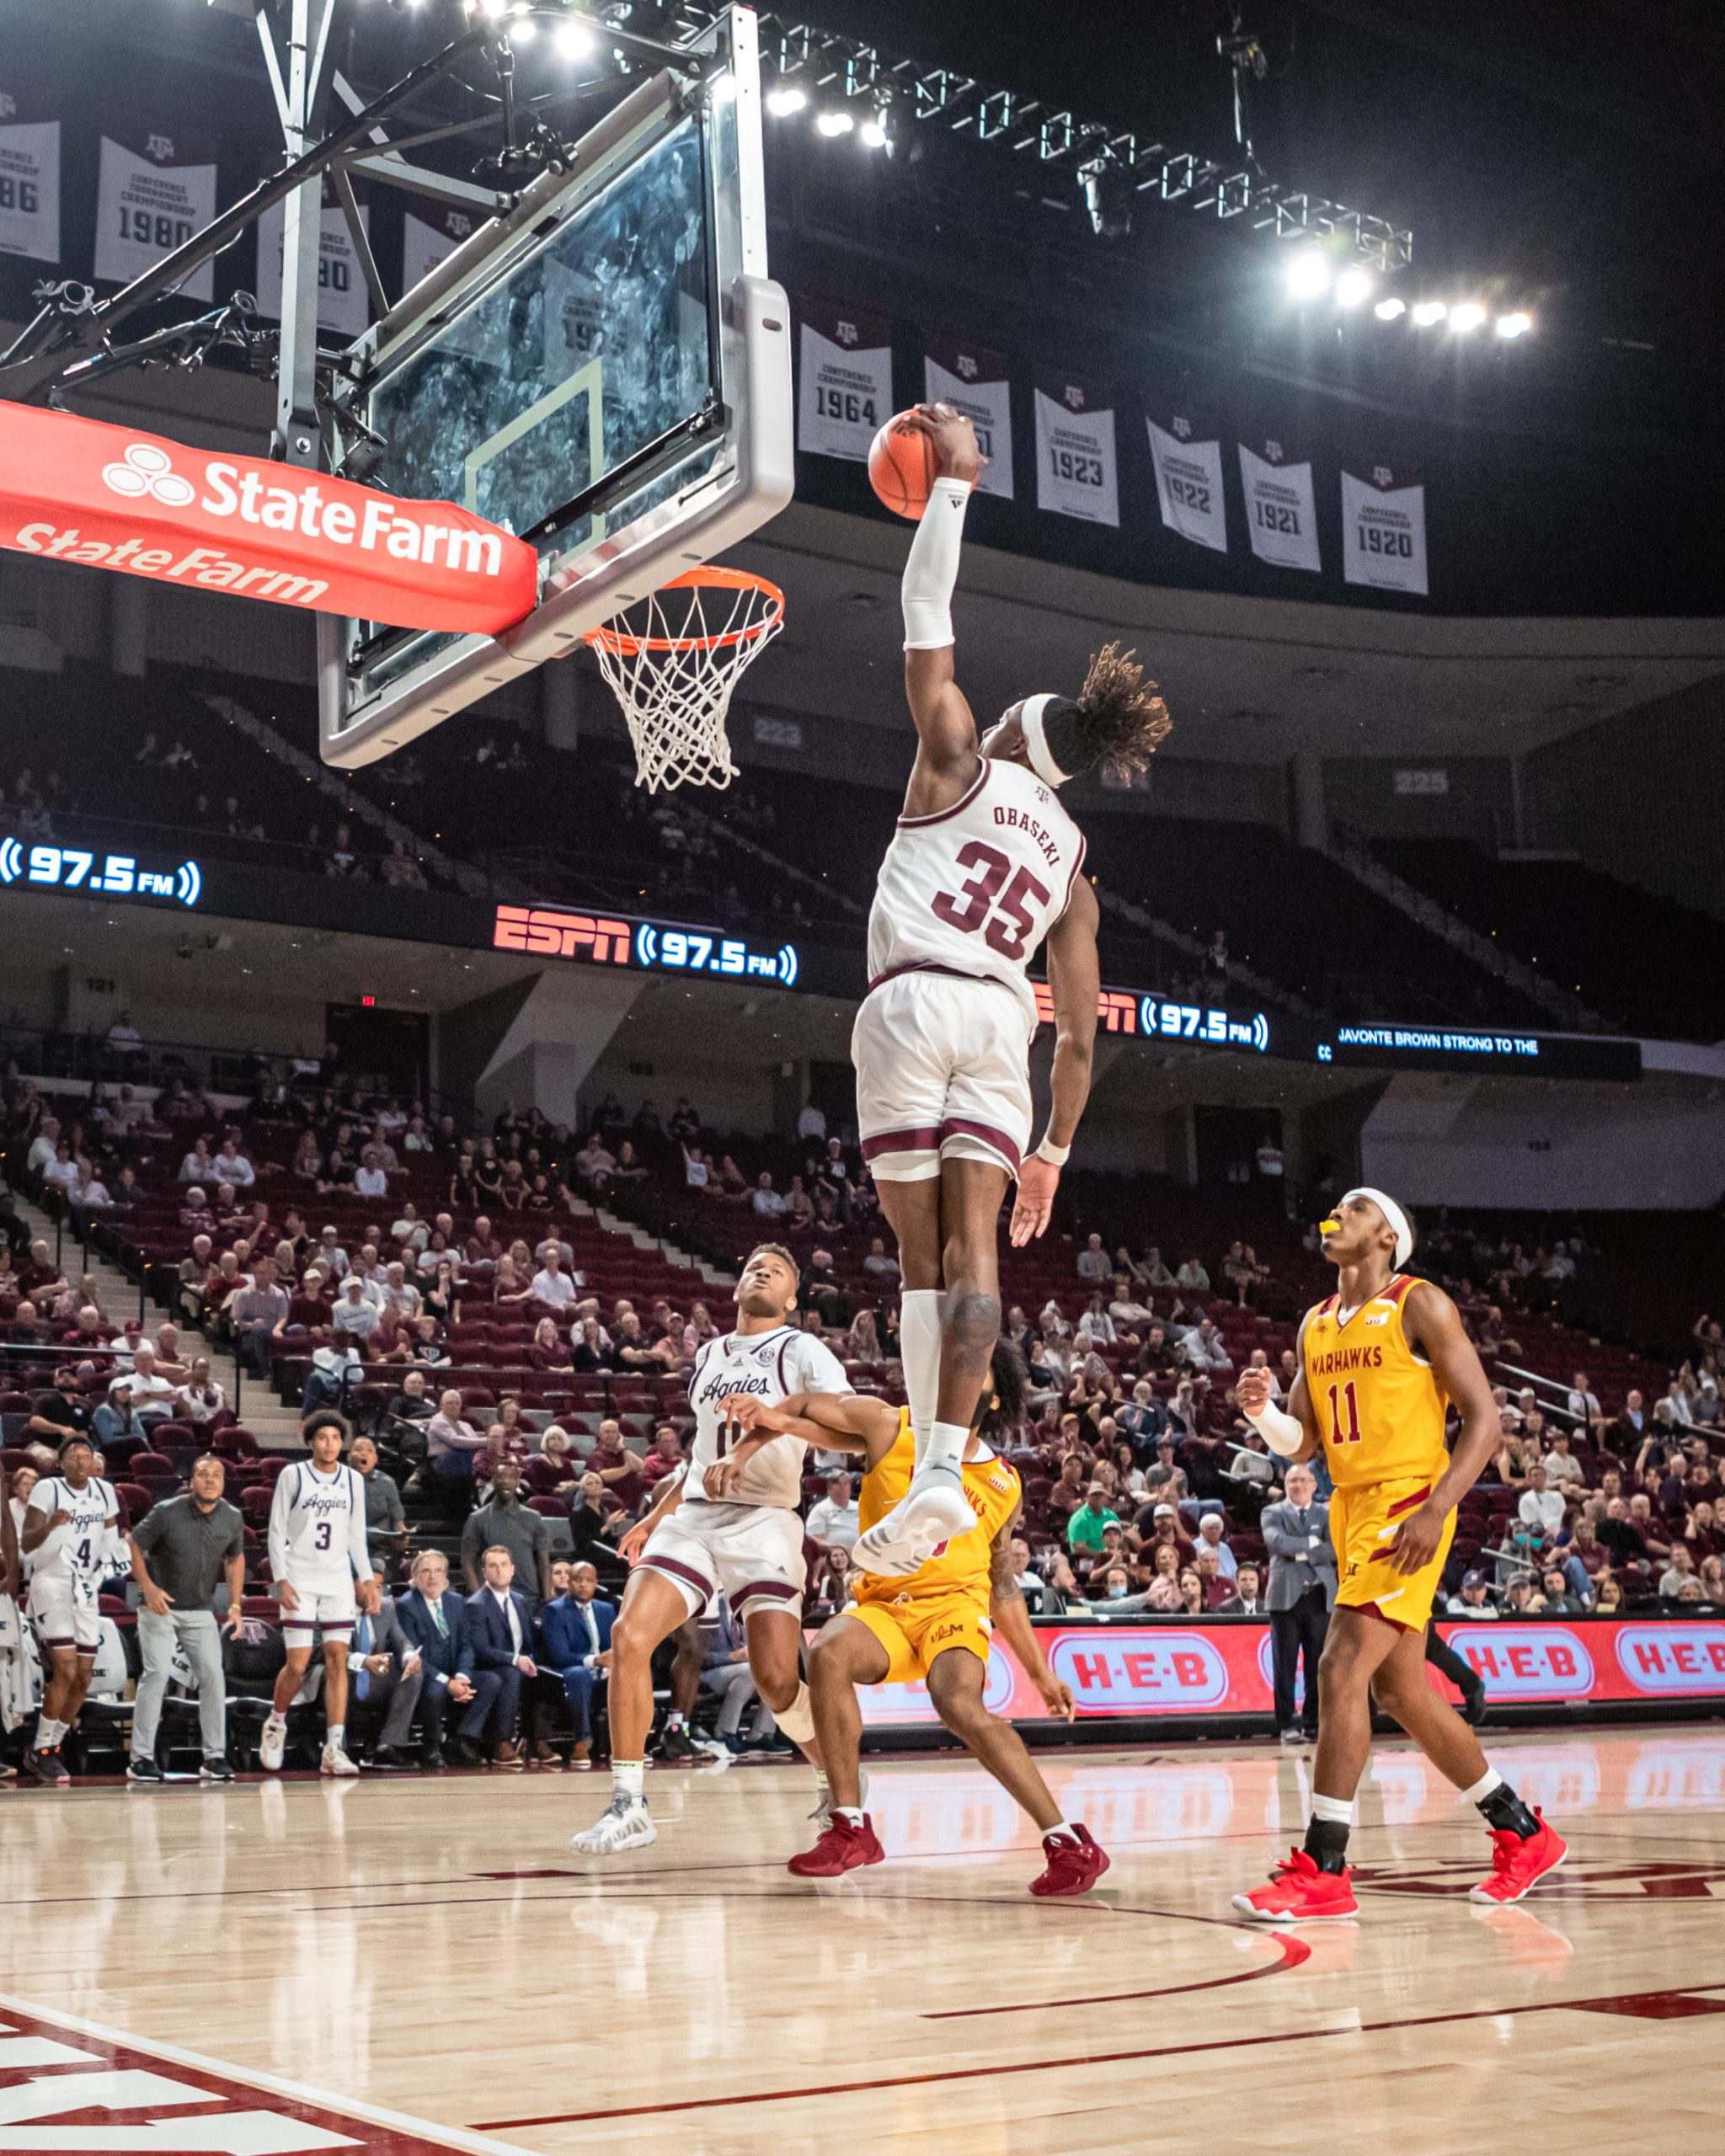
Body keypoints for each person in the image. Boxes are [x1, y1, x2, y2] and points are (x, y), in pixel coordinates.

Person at [848, 403, 1169, 1577]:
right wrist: (1057, 1152)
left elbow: (923, 615)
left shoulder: (955, 760)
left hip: (912, 997)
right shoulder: (1075, 868)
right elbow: (1080, 1034)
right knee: (978, 1249)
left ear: (1011, 737)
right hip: (1002, 1023)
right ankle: (944, 1466)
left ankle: (934, 1461)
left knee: (917, 1258)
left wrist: (954, 488)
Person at [1233, 1189, 1566, 1919]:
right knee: (1400, 1692)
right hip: (1349, 1505)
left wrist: (1436, 1507)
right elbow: (1305, 1441)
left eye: (1353, 1209)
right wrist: (1261, 1412)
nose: (1336, 1216)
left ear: (1386, 1236)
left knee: (1339, 1664)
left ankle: (1324, 1867)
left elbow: (1485, 1423)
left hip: (1408, 1501)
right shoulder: (1314, 1323)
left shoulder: (1420, 1304)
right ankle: (1523, 1831)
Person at [758, 1342, 1108, 1894]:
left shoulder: (1004, 1482)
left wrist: (1041, 1675)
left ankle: (1069, 1843)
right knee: (828, 1652)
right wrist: (771, 1421)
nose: (958, 1378)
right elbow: (806, 1405)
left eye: (972, 1373)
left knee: (958, 1703)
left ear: (993, 1399)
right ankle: (850, 1827)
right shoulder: (888, 1425)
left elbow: (1002, 1583)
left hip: (956, 1610)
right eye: (952, 1369)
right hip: (885, 1608)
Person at [571, 1244, 852, 1854]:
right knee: (629, 1636)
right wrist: (652, 1517)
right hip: (694, 1516)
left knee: (776, 1679)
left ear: (792, 1298)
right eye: (753, 1265)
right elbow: (699, 1459)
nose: (761, 1272)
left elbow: (849, 1429)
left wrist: (774, 1419)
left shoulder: (802, 1350)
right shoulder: (708, 1355)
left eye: (777, 1270)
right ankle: (628, 1805)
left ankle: (836, 1780)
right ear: (734, 1288)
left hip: (766, 1520)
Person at [259, 1414, 380, 1779]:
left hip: (337, 1579)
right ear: (311, 1442)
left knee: (337, 1659)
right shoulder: (293, 1475)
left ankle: (334, 1747)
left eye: (335, 1438)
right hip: (299, 1576)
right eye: (322, 1437)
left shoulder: (353, 1480)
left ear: (342, 1443)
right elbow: (276, 1529)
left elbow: (357, 1536)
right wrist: (280, 1578)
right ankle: (276, 1724)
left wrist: (366, 1578)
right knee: (297, 1664)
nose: (329, 1444)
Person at [126, 1454, 246, 1781]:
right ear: (192, 1481)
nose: (209, 1480)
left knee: (213, 1676)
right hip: (159, 1606)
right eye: (203, 1474)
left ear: (223, 1482)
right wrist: (148, 1588)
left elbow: (235, 1559)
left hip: (200, 1609)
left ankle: (214, 1758)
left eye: (216, 1475)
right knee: (158, 1673)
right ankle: (140, 1759)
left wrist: (235, 1604)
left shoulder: (232, 1518)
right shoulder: (167, 1512)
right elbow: (134, 1543)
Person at [19, 1436, 120, 1785]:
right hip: (52, 1582)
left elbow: (111, 1540)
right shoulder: (49, 1489)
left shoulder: (105, 1492)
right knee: (63, 1669)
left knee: (84, 1676)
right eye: (74, 1456)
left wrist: (106, 1567)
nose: (81, 1461)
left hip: (86, 1589)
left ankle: (49, 1746)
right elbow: (26, 1540)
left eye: (87, 1456)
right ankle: (43, 1750)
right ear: (61, 1463)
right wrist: (50, 1526)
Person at [395, 1550, 494, 1768]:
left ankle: (461, 1740)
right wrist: (447, 1682)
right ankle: (431, 1747)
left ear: (446, 1577)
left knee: (491, 1681)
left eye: (438, 1571)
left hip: (455, 1672)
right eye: (426, 1571)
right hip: (426, 1674)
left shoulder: (456, 1602)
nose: (433, 1577)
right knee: (435, 1690)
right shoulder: (407, 1605)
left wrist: (461, 1676)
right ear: (415, 1577)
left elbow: (466, 1645)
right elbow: (414, 1654)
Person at [1261, 1460, 1334, 1746]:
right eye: (1293, 1481)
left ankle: (1313, 1722)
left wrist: (1301, 1549)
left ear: (1315, 1485)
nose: (1298, 1485)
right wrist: (1313, 1544)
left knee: (1318, 1664)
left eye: (1304, 1480)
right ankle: (1286, 1724)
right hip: (1285, 1598)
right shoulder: (1271, 1511)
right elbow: (1277, 1543)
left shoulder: (1326, 1513)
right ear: (1285, 1485)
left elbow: (1335, 1549)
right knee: (1285, 1665)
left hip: (1319, 1596)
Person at [463, 1546, 538, 1769]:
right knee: (510, 1674)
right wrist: (515, 1660)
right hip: (488, 1667)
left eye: (504, 1565)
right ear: (484, 1571)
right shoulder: (475, 1605)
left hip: (519, 1664)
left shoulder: (520, 1600)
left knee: (547, 1676)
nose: (499, 1570)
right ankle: (502, 1743)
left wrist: (532, 1660)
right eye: (493, 1566)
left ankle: (539, 1742)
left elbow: (530, 1641)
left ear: (512, 1570)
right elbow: (481, 1649)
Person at [539, 1561, 616, 1769]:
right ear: (569, 1582)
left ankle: (624, 1744)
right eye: (577, 1580)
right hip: (568, 1676)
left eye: (588, 1581)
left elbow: (613, 1647)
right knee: (579, 1674)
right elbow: (559, 1656)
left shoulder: (606, 1609)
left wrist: (612, 1663)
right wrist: (595, 1660)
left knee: (629, 1673)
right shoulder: (554, 1611)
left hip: (603, 1675)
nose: (583, 1585)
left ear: (596, 1584)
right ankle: (581, 1742)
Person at [345, 1567, 425, 1769]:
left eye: (379, 1587)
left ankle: (388, 1746)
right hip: (343, 1677)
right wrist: (362, 1660)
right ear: (351, 1584)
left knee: (413, 1675)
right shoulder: (334, 1607)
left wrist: (408, 1657)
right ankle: (338, 1747)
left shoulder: (387, 1607)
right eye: (367, 1585)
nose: (374, 1592)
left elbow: (402, 1641)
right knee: (333, 1675)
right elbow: (321, 1651)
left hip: (375, 1681)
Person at [804, 1470, 861, 1553]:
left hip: (862, 1554)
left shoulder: (859, 1506)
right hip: (835, 1557)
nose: (843, 1487)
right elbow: (813, 1539)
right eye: (838, 1484)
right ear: (829, 1489)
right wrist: (834, 1548)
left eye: (846, 1483)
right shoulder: (820, 1509)